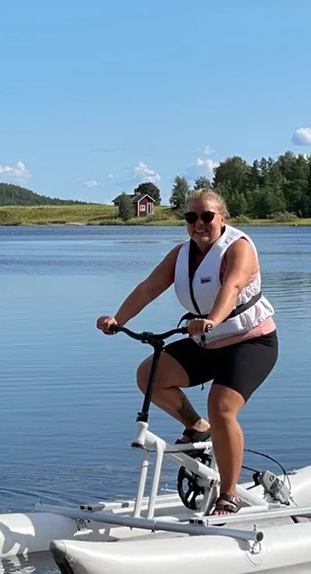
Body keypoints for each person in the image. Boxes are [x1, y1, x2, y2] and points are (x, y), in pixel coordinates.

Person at [96, 189, 277, 515]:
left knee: (222, 406)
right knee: (149, 375)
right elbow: (148, 288)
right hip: (208, 342)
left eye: (207, 216)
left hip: (251, 343)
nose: (199, 223)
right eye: (191, 218)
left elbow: (232, 287)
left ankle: (229, 493)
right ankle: (197, 428)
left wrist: (210, 319)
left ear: (222, 217)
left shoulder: (239, 249)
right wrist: (117, 319)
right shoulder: (181, 255)